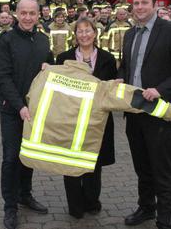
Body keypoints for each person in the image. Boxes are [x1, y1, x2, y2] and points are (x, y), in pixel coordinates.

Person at [117, 0, 171, 229]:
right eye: (136, 3)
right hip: (134, 111)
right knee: (142, 166)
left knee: (162, 168)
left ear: (155, 4)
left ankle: (164, 218)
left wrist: (160, 90)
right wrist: (120, 78)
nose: (139, 7)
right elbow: (128, 67)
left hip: (159, 112)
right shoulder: (130, 34)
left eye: (144, 3)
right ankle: (146, 208)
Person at [0, 0, 54, 229]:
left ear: (38, 15)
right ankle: (10, 207)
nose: (28, 17)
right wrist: (20, 106)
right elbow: (2, 77)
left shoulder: (43, 40)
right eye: (24, 13)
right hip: (12, 109)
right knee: (11, 158)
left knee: (28, 155)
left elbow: (49, 69)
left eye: (32, 13)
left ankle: (25, 195)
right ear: (16, 13)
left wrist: (50, 67)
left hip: (35, 109)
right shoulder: (4, 40)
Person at [55, 17, 116, 219]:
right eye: (80, 31)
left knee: (93, 164)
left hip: (98, 121)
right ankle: (75, 205)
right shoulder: (64, 58)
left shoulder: (108, 58)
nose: (84, 34)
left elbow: (111, 89)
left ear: (95, 33)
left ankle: (91, 201)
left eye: (88, 30)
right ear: (75, 35)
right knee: (70, 163)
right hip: (71, 119)